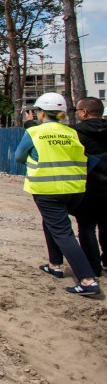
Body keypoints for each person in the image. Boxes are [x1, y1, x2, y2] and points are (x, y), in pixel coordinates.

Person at [14, 92, 98, 296]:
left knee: (63, 232)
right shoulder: (71, 132)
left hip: (48, 189)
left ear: (41, 112)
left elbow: (18, 157)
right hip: (75, 189)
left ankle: (87, 280)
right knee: (51, 222)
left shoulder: (35, 133)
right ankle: (55, 264)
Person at [74, 97, 106, 278]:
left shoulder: (76, 133)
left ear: (84, 112)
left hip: (88, 188)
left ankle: (93, 267)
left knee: (86, 228)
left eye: (77, 111)